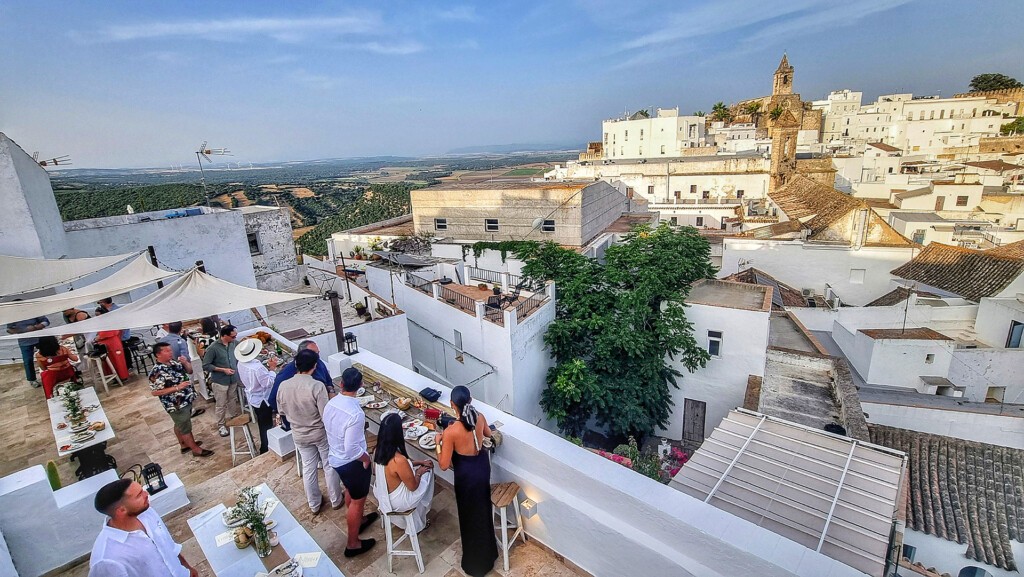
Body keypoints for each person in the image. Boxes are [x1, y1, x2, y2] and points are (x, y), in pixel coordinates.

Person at [276, 350, 345, 516]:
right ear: (314, 366)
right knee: (328, 465)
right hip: (318, 432)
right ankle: (336, 500)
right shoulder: (316, 386)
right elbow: (325, 414)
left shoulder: (283, 386)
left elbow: (281, 411)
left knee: (309, 468)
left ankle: (314, 504)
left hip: (299, 433)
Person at [438, 385, 497, 577]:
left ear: (452, 404)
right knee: (483, 511)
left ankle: (475, 564)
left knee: (469, 516)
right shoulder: (479, 416)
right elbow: (488, 433)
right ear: (470, 401)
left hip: (466, 475)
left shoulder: (451, 432)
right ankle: (489, 555)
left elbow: (444, 465)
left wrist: (439, 442)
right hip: (481, 468)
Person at [89, 478, 200, 577]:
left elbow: (168, 547)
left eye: (142, 490)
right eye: (139, 495)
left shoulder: (146, 511)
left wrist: (187, 568)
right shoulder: (106, 560)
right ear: (121, 510)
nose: (146, 494)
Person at [323, 366, 377, 557]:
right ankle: (353, 543)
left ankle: (359, 521)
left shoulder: (331, 404)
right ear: (360, 386)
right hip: (350, 461)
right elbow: (352, 449)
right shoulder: (355, 414)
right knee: (357, 500)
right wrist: (365, 459)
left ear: (341, 384)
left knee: (350, 491)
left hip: (335, 457)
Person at [372, 412, 435, 533]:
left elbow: (397, 469)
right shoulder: (398, 460)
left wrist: (419, 462)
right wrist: (419, 472)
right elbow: (413, 487)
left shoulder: (378, 449)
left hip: (381, 491)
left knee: (423, 465)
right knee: (428, 470)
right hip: (397, 501)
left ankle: (418, 516)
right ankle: (420, 517)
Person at [149, 342, 213, 457]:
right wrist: (177, 387)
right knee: (185, 427)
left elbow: (189, 371)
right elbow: (155, 392)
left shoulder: (173, 362)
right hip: (176, 404)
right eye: (167, 351)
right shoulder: (156, 372)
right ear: (158, 354)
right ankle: (195, 449)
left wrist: (185, 362)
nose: (170, 352)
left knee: (179, 424)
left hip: (186, 399)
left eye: (170, 350)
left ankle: (184, 444)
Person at [234, 338, 278, 454]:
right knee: (266, 425)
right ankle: (266, 448)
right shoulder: (257, 368)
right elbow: (267, 383)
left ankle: (265, 446)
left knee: (262, 423)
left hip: (253, 398)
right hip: (262, 399)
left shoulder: (241, 363)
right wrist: (272, 369)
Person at [202, 324, 241, 437]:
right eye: (233, 336)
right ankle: (221, 425)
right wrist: (222, 370)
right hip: (220, 381)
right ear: (224, 336)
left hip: (232, 378)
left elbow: (242, 349)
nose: (235, 338)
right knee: (221, 404)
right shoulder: (213, 348)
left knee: (232, 399)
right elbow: (206, 365)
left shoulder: (233, 343)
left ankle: (234, 417)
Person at [6, 307, 50, 387]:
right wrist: (20, 331)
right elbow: (8, 330)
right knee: (28, 361)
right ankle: (32, 380)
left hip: (39, 339)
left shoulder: (33, 312)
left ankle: (50, 372)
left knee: (48, 355)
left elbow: (46, 322)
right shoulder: (12, 316)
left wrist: (36, 327)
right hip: (24, 342)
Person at [97, 298, 133, 372]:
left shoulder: (116, 311)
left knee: (123, 352)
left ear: (104, 302)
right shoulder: (108, 311)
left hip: (121, 335)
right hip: (118, 335)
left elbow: (121, 326)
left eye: (100, 302)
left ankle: (127, 366)